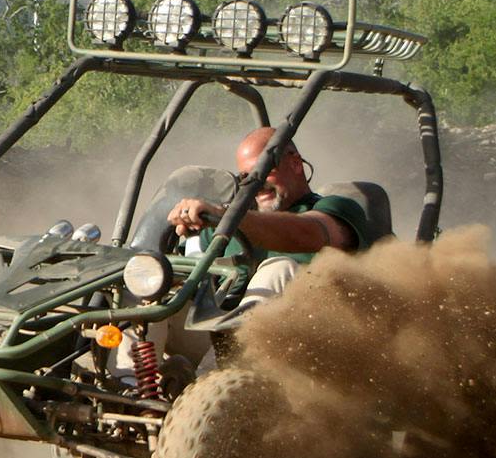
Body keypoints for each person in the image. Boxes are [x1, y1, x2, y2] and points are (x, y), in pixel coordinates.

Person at [115, 127, 370, 379]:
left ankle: (215, 388)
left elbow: (310, 233)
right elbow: (184, 269)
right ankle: (130, 390)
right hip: (216, 342)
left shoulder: (336, 208)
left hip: (307, 349)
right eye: (247, 177)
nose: (257, 185)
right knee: (146, 277)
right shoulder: (225, 225)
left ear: (295, 164)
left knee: (278, 269)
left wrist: (229, 216)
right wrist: (182, 237)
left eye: (264, 171)